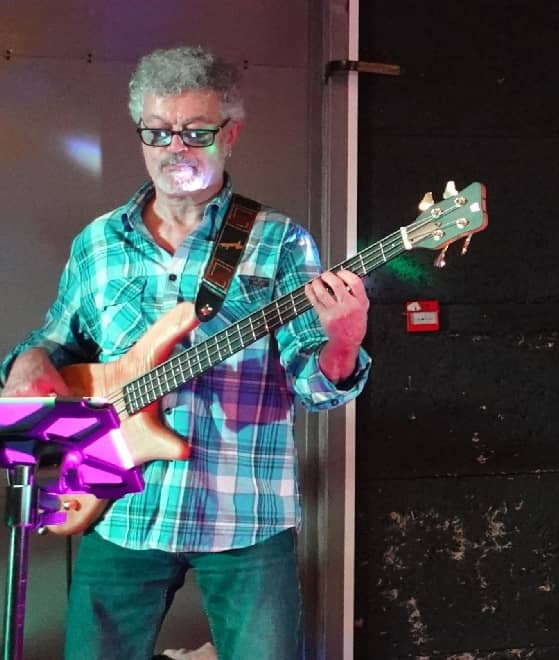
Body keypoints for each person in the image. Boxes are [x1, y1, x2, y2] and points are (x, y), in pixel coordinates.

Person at [1, 46, 371, 660]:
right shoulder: (98, 243)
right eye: (159, 131)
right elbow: (56, 340)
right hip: (119, 507)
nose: (177, 147)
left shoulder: (279, 242)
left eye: (197, 132)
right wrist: (29, 359)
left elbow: (314, 383)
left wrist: (343, 341)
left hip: (245, 514)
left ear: (232, 134)